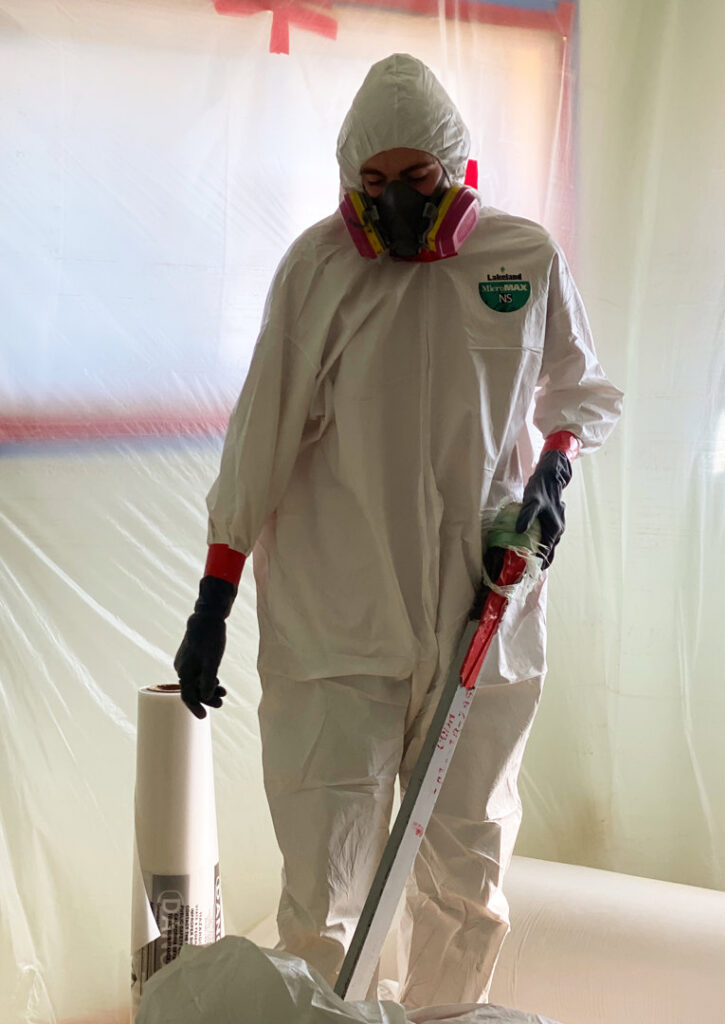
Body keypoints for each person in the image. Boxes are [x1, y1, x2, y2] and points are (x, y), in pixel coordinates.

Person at [174, 53, 622, 1009]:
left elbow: (581, 394)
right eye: (371, 186)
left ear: (456, 172)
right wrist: (215, 595)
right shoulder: (318, 271)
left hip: (480, 619)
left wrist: (552, 470)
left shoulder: (522, 260)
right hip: (338, 624)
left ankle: (444, 1016)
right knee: (324, 885)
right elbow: (258, 442)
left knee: (464, 870)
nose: (394, 206)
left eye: (416, 183)